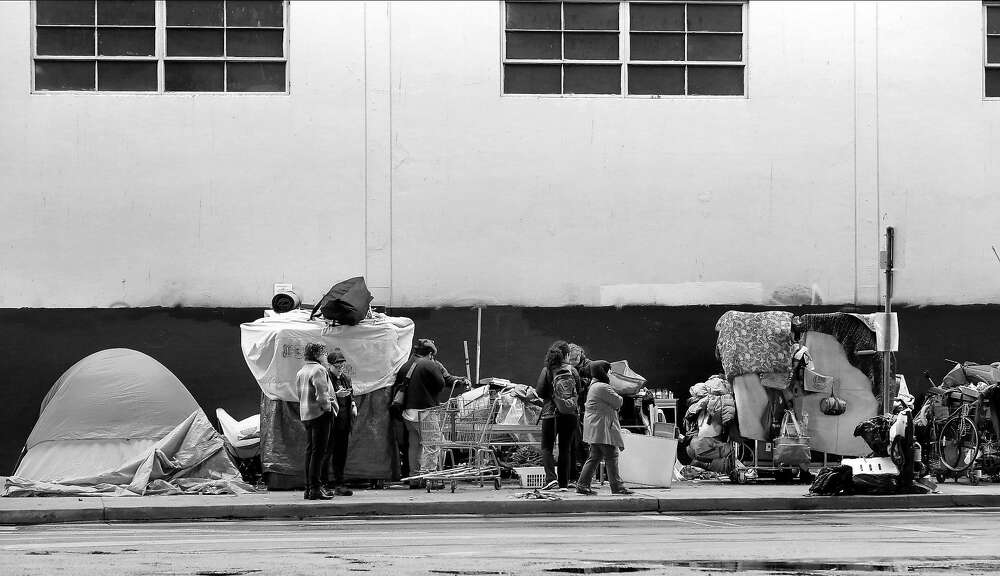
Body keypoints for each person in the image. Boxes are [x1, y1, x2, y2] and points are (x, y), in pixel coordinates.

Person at [396, 338, 469, 488]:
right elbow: (441, 383)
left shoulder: (406, 365)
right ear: (430, 353)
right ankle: (430, 477)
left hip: (408, 413)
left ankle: (415, 478)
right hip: (426, 412)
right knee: (433, 445)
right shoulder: (430, 364)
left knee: (415, 446)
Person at [575, 360, 634, 495]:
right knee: (612, 455)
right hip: (602, 426)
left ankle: (582, 485)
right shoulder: (602, 387)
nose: (610, 374)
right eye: (608, 371)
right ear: (603, 372)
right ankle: (617, 487)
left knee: (595, 456)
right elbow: (618, 401)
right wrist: (619, 391)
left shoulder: (594, 385)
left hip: (596, 426)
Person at [535, 340, 581, 490]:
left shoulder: (547, 370)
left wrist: (552, 395)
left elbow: (540, 392)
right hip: (569, 413)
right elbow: (578, 389)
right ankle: (564, 483)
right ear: (566, 354)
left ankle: (550, 479)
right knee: (565, 448)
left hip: (550, 414)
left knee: (547, 447)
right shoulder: (572, 370)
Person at [296, 342, 336, 500]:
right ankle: (315, 489)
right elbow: (322, 395)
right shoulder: (319, 369)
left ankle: (308, 489)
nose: (325, 356)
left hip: (306, 415)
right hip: (319, 415)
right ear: (317, 354)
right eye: (323, 353)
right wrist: (328, 408)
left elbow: (298, 394)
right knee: (319, 453)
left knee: (310, 452)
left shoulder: (301, 371)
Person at [323, 348, 357, 496]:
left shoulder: (346, 378)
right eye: (337, 367)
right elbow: (321, 397)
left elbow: (351, 395)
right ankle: (323, 483)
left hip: (344, 422)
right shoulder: (325, 378)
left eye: (342, 367)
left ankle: (339, 483)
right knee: (326, 453)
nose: (340, 370)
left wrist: (354, 405)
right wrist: (335, 395)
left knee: (341, 454)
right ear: (329, 365)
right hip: (330, 422)